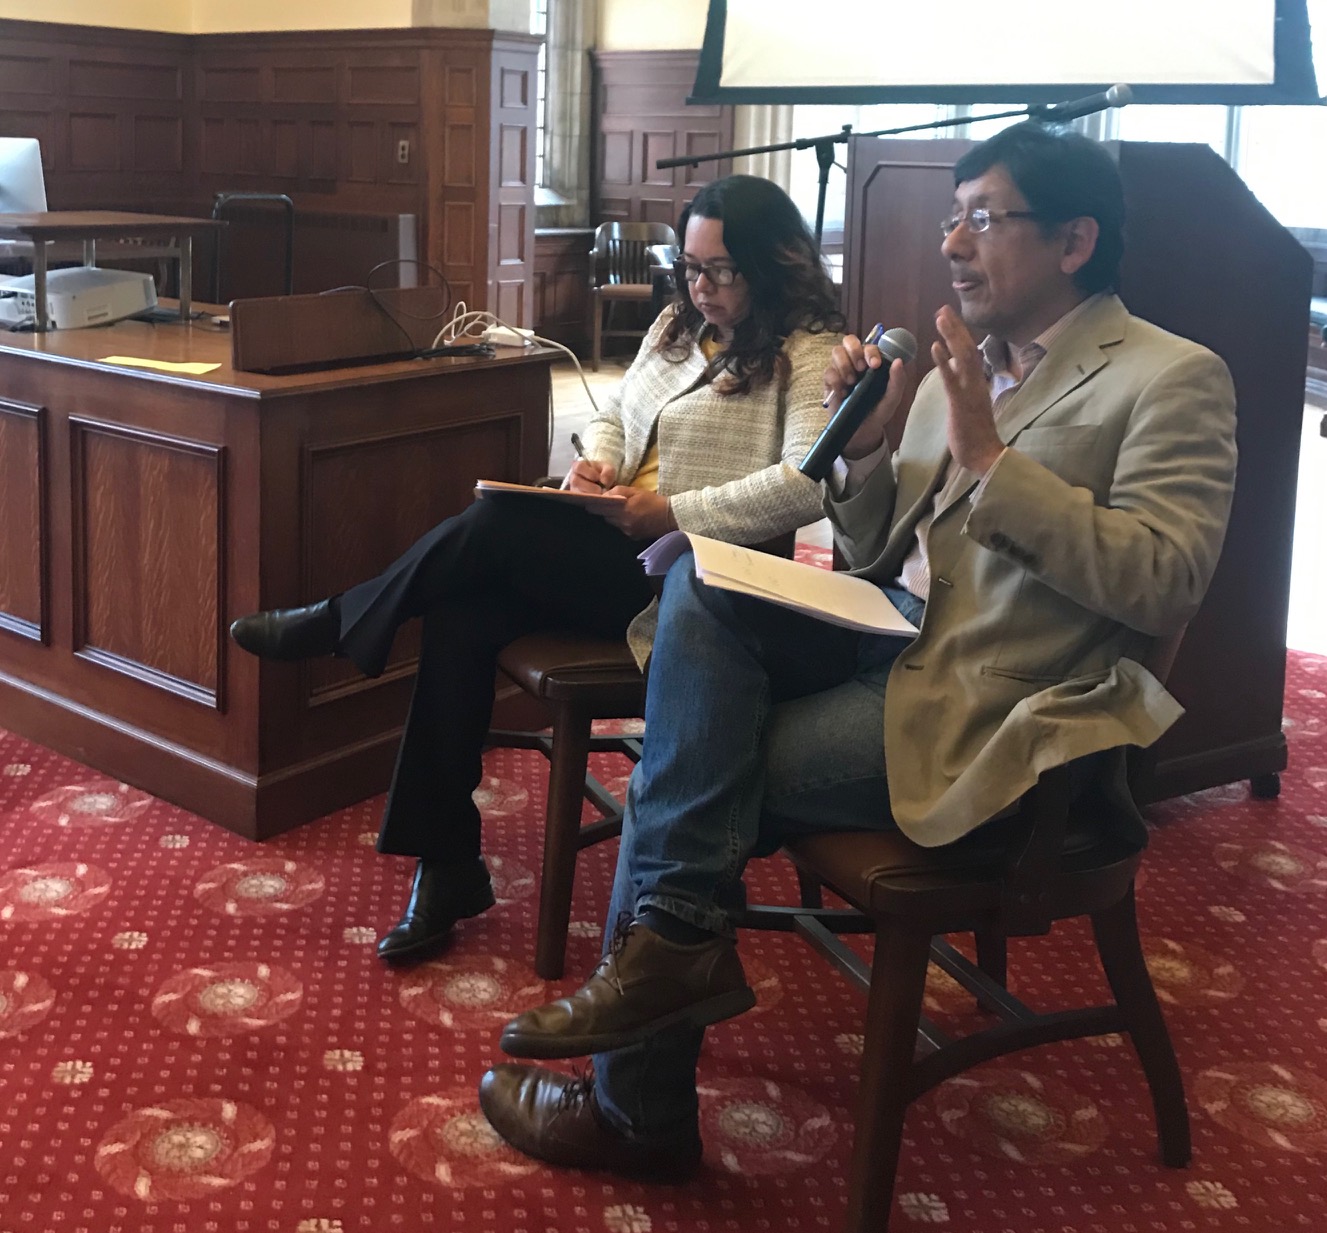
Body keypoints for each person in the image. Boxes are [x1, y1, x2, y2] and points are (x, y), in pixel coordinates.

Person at [477, 123, 1239, 1181]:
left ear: (1074, 240)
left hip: (999, 704)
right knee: (702, 570)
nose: (954, 246)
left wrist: (991, 458)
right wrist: (871, 446)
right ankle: (671, 964)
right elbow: (879, 549)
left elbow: (1164, 578)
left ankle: (640, 1087)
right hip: (879, 638)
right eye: (950, 220)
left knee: (687, 767)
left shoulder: (1170, 377)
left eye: (983, 219)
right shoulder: (947, 374)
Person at [228, 174, 844, 965]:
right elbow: (614, 414)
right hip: (611, 541)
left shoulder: (810, 348)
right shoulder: (676, 324)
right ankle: (445, 862)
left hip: (697, 585)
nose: (699, 287)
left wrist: (673, 513)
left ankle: (341, 620)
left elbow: (803, 482)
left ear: (771, 263)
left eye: (720, 270)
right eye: (688, 267)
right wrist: (596, 462)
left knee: (491, 525)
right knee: (461, 609)